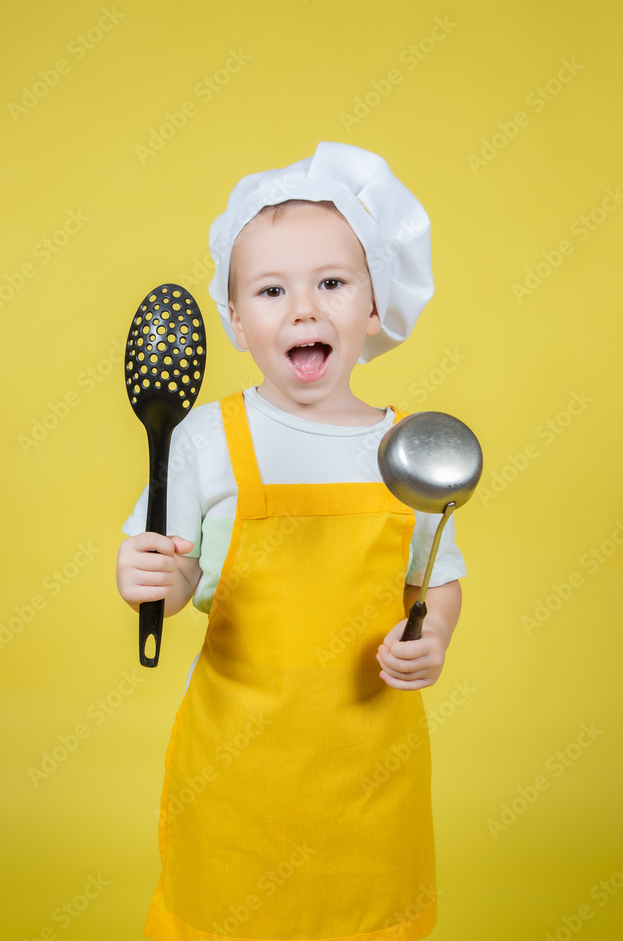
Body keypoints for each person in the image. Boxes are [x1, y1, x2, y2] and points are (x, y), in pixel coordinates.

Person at [116, 142, 466, 941]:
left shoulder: (407, 449)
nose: (303, 309)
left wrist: (435, 635)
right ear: (237, 322)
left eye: (331, 283)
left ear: (373, 306)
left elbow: (434, 577)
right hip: (236, 775)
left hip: (370, 777)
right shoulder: (205, 439)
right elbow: (175, 575)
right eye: (272, 290)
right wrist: (149, 580)